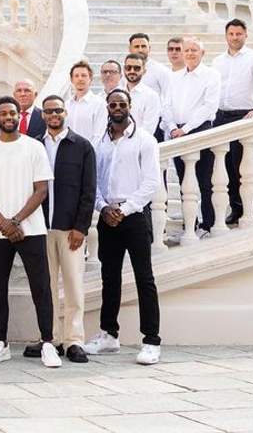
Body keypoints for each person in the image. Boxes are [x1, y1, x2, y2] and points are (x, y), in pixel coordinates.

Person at [0, 97, 58, 367]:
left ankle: (47, 342)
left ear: (18, 116)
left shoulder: (34, 147)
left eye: (12, 112)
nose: (9, 116)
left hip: (31, 229)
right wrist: (4, 223)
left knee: (41, 287)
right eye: (3, 113)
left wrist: (17, 220)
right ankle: (0, 342)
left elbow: (41, 189)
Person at [86, 89, 163, 365]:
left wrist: (125, 208)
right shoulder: (101, 143)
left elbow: (151, 182)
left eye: (122, 104)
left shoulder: (145, 140)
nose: (117, 108)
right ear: (107, 107)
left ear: (130, 107)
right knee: (110, 277)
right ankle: (109, 335)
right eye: (112, 104)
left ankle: (151, 341)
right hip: (108, 217)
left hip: (134, 216)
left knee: (145, 278)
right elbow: (93, 181)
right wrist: (103, 208)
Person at [29, 95, 96, 364]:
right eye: (48, 111)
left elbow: (89, 190)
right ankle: (51, 338)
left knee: (72, 286)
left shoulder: (82, 146)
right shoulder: (34, 145)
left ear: (65, 112)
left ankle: (74, 340)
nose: (54, 115)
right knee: (45, 287)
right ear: (43, 115)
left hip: (70, 230)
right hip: (40, 228)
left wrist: (81, 227)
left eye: (58, 110)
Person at [212, 19, 253, 226]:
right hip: (220, 117)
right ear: (226, 36)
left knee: (240, 166)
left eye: (238, 34)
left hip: (243, 116)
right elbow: (213, 88)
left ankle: (247, 209)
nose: (235, 37)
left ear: (245, 35)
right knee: (223, 166)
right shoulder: (218, 61)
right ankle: (235, 208)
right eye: (231, 34)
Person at [163, 37, 222, 233]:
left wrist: (186, 129)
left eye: (194, 50)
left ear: (202, 53)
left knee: (204, 179)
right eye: (186, 50)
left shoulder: (211, 75)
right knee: (183, 179)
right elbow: (167, 105)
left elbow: (209, 106)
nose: (189, 53)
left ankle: (209, 222)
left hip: (199, 130)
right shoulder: (174, 77)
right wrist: (172, 128)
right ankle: (191, 221)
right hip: (176, 132)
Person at [65, 61, 106, 142]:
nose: (80, 78)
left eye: (84, 75)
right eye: (76, 76)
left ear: (90, 79)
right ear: (72, 80)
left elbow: (99, 135)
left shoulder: (99, 104)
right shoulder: (66, 105)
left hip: (89, 152)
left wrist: (87, 153)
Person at [122, 53, 162, 137]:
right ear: (124, 69)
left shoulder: (151, 96)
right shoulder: (116, 93)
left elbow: (148, 129)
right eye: (128, 67)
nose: (132, 71)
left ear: (144, 71)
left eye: (137, 68)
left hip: (139, 145)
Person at [128, 32, 172, 102]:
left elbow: (169, 97)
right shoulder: (124, 71)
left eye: (143, 46)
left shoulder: (161, 70)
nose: (140, 50)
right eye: (136, 46)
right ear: (130, 49)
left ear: (149, 48)